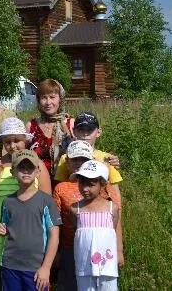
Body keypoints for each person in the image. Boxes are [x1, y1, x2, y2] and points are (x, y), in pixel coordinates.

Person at [52, 141, 122, 291]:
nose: (85, 188)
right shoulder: (66, 195)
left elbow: (114, 226)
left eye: (83, 159)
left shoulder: (108, 198)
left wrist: (119, 250)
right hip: (76, 252)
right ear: (67, 162)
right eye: (74, 159)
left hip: (105, 257)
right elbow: (65, 223)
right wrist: (56, 251)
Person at [0, 118, 51, 269]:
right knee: (7, 271)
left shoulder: (37, 165)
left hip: (31, 229)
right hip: (1, 228)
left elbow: (47, 203)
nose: (12, 146)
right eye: (7, 142)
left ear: (25, 140)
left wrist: (49, 236)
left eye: (17, 141)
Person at [0, 150, 61, 291]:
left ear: (38, 171)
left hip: (37, 269)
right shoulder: (7, 201)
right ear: (13, 172)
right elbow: (6, 227)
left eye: (30, 167)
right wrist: (3, 230)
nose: (26, 171)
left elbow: (54, 236)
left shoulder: (47, 201)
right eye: (21, 167)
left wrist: (46, 267)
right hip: (10, 266)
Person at [70, 161, 122, 291]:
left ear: (102, 184)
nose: (85, 189)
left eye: (91, 185)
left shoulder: (112, 208)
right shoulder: (74, 209)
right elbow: (76, 229)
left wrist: (119, 252)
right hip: (84, 265)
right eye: (82, 184)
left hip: (107, 265)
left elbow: (113, 231)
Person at [53, 112, 122, 204]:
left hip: (101, 207)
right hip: (73, 204)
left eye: (89, 130)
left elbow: (115, 192)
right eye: (81, 130)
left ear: (98, 132)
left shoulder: (107, 158)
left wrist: (117, 213)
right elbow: (60, 188)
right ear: (73, 131)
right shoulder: (65, 158)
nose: (85, 134)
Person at [28, 79, 74, 179]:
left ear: (60, 99)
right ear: (38, 100)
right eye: (44, 98)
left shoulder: (71, 124)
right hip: (37, 183)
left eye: (52, 97)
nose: (48, 102)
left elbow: (86, 151)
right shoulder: (31, 126)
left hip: (66, 183)